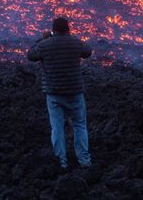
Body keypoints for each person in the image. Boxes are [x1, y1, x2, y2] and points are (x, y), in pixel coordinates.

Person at [27, 16, 92, 170]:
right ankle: (84, 159)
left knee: (57, 127)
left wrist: (41, 39)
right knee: (79, 125)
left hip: (54, 93)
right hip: (75, 92)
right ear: (68, 29)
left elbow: (30, 55)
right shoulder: (75, 42)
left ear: (53, 30)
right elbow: (87, 51)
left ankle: (61, 161)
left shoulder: (45, 45)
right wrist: (73, 38)